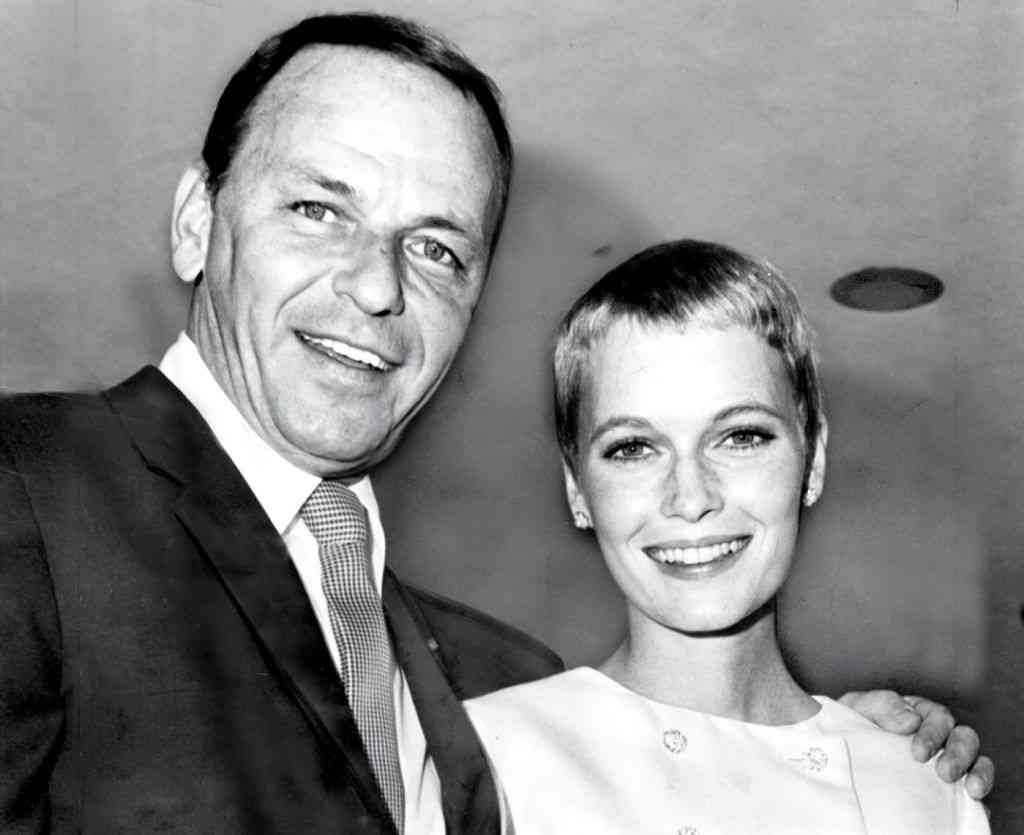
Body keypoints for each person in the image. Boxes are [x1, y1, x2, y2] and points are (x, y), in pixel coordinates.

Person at [0, 13, 992, 835]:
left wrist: (833, 766)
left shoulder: (496, 679)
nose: (377, 286)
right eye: (318, 209)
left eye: (436, 249)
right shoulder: (29, 488)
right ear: (195, 221)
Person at [465, 239, 991, 833]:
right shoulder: (487, 763)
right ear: (577, 489)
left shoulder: (928, 789)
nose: (691, 499)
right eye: (633, 448)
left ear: (813, 458)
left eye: (741, 437)